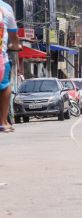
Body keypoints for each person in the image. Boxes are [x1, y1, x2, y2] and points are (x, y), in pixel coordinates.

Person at [0, 1, 21, 133]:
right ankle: (3, 121)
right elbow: (14, 36)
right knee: (5, 86)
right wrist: (15, 45)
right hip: (1, 58)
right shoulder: (5, 8)